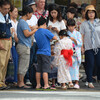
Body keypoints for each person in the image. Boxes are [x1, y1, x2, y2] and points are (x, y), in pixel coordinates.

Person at [16, 6, 37, 88]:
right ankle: (21, 82)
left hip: (22, 45)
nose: (31, 15)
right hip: (24, 46)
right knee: (23, 65)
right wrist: (35, 30)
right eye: (31, 13)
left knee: (22, 64)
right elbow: (26, 34)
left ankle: (20, 82)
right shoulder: (23, 22)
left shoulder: (21, 21)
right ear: (27, 13)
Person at [80, 5, 100, 88]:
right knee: (90, 64)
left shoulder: (99, 22)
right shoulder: (84, 24)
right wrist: (82, 46)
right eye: (89, 13)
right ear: (87, 14)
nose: (91, 14)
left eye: (92, 12)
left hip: (98, 46)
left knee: (99, 63)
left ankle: (98, 78)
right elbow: (82, 36)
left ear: (95, 13)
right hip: (88, 47)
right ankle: (90, 81)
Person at [34, 17, 57, 90]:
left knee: (38, 69)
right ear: (44, 24)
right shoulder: (45, 31)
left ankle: (38, 85)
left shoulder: (36, 32)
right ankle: (46, 84)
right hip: (46, 53)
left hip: (39, 52)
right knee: (45, 70)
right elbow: (55, 37)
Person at [0, 0, 12, 90]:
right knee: (1, 63)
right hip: (2, 40)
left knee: (6, 62)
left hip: (8, 40)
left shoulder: (7, 16)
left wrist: (11, 40)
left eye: (8, 9)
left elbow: (10, 28)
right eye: (5, 9)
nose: (7, 10)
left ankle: (2, 81)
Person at [67, 18, 82, 89]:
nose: (70, 28)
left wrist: (74, 40)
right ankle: (69, 82)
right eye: (69, 26)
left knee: (76, 68)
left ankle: (76, 82)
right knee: (68, 68)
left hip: (75, 53)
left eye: (72, 26)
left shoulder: (78, 33)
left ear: (74, 26)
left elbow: (80, 43)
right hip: (68, 53)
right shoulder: (67, 33)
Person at [9, 5, 18, 84]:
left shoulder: (17, 22)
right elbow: (13, 34)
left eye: (17, 12)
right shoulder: (9, 22)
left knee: (15, 61)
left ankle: (14, 79)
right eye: (15, 12)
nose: (16, 13)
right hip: (11, 43)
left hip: (16, 44)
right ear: (10, 12)